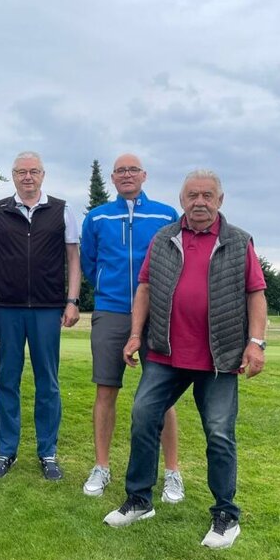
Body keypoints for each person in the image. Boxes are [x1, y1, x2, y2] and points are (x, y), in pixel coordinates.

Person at [104, 169, 267, 549]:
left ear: (220, 200)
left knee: (220, 433)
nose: (200, 202)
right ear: (182, 200)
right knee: (144, 416)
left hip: (219, 357)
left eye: (208, 195)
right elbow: (143, 288)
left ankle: (226, 514)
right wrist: (133, 335)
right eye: (193, 195)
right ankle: (140, 500)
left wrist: (256, 342)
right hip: (165, 352)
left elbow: (255, 293)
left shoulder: (239, 242)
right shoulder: (163, 240)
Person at [80, 153, 183, 501]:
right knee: (105, 390)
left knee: (163, 395)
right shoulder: (97, 217)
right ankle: (102, 466)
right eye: (121, 171)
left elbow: (177, 259)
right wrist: (106, 287)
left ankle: (172, 472)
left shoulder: (166, 214)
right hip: (111, 311)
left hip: (158, 314)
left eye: (133, 170)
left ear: (144, 175)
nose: (127, 175)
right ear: (112, 178)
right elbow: (90, 261)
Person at [0, 151, 81, 481]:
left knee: (48, 384)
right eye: (21, 172)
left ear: (43, 175)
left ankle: (47, 452)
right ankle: (5, 450)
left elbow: (73, 259)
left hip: (47, 308)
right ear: (13, 176)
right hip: (6, 309)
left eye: (34, 171)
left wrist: (72, 300)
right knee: (6, 381)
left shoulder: (61, 210)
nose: (28, 177)